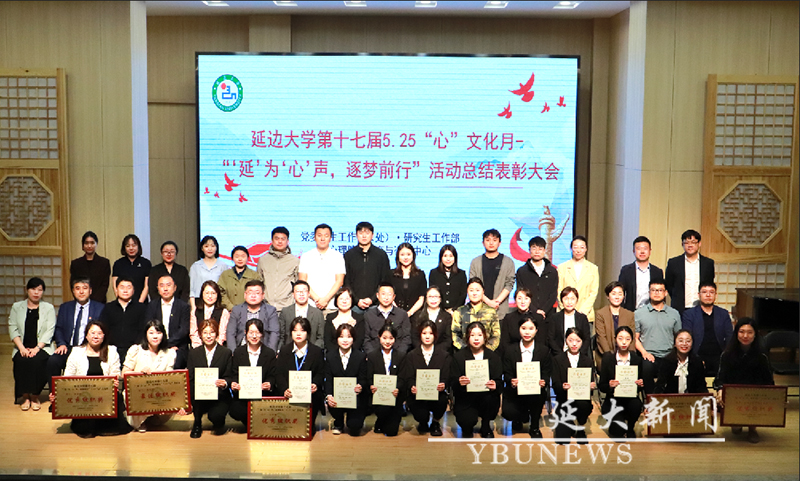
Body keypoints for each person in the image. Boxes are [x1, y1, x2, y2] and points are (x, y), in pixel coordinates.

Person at [53, 320, 132, 437]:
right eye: (92, 333)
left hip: (104, 395)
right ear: (86, 335)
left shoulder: (112, 351)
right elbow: (68, 377)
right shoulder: (76, 352)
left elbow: (115, 373)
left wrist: (114, 382)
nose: (96, 336)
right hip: (83, 394)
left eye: (99, 333)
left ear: (104, 336)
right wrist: (59, 392)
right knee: (86, 431)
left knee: (115, 400)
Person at [714, 317, 773, 443]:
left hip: (755, 395)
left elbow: (769, 381)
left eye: (749, 332)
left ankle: (752, 429)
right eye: (741, 332)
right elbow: (719, 379)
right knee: (736, 428)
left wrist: (776, 397)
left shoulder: (762, 355)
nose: (745, 336)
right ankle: (737, 422)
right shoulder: (727, 354)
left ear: (755, 334)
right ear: (736, 333)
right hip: (734, 395)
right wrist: (720, 390)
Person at [47, 277, 105, 386]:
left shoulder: (100, 308)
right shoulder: (65, 307)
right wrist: (61, 344)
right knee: (53, 361)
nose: (81, 291)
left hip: (89, 348)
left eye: (85, 288)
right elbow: (59, 328)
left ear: (90, 291)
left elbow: (103, 329)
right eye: (77, 288)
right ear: (73, 291)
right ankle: (54, 394)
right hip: (68, 347)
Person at [122, 320, 177, 432]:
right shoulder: (136, 350)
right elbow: (124, 374)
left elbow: (169, 378)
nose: (155, 336)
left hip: (158, 391)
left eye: (158, 333)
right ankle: (140, 422)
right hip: (138, 390)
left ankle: (154, 418)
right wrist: (139, 374)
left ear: (163, 335)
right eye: (151, 333)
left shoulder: (169, 353)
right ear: (146, 335)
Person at [182, 319, 233, 438]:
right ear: (200, 334)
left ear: (217, 334)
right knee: (194, 389)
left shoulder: (226, 352)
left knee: (216, 418)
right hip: (200, 395)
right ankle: (197, 423)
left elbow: (230, 376)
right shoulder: (194, 353)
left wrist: (225, 383)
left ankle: (219, 421)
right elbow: (190, 377)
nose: (208, 336)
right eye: (205, 333)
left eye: (212, 332)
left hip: (219, 394)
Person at [501, 314, 550, 438]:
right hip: (515, 391)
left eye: (531, 328)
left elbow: (546, 372)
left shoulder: (544, 350)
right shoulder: (510, 350)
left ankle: (534, 427)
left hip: (535, 391)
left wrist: (543, 381)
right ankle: (519, 417)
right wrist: (511, 381)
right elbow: (506, 373)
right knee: (509, 412)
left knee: (539, 395)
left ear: (536, 330)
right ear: (519, 329)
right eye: (523, 328)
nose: (527, 332)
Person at [10, 277, 55, 411]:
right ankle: (25, 397)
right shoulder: (17, 307)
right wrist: (22, 348)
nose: (36, 292)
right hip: (22, 346)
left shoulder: (48, 308)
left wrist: (36, 348)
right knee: (20, 360)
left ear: (43, 292)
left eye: (39, 290)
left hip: (42, 347)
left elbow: (50, 330)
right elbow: (13, 328)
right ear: (27, 290)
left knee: (38, 361)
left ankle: (35, 396)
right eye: (33, 289)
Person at [451, 322, 502, 438]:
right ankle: (467, 426)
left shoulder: (493, 357)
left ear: (485, 337)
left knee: (490, 399)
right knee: (467, 422)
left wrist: (495, 385)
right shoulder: (458, 357)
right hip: (466, 398)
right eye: (472, 335)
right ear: (467, 337)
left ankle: (486, 425)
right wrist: (459, 383)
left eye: (479, 335)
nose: (476, 339)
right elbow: (452, 382)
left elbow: (499, 381)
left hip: (486, 397)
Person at [401, 320, 451, 436]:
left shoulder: (444, 355)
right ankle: (423, 422)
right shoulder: (411, 355)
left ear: (435, 335)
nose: (427, 336)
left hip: (437, 394)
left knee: (442, 400)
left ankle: (435, 423)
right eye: (424, 333)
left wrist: (443, 384)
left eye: (430, 333)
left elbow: (446, 376)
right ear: (420, 335)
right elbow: (409, 377)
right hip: (418, 394)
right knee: (420, 414)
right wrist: (412, 386)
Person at [635, 279, 682, 394]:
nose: (657, 293)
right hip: (648, 355)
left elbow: (679, 337)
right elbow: (635, 338)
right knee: (646, 368)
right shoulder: (639, 313)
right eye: (654, 290)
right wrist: (644, 353)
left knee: (675, 372)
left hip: (669, 355)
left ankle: (670, 401)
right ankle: (651, 400)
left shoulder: (674, 313)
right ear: (649, 292)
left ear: (665, 293)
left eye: (660, 290)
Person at [275, 317, 326, 423]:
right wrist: (284, 389)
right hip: (289, 394)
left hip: (310, 395)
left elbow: (321, 372)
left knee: (307, 427)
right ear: (291, 333)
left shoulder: (316, 351)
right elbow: (279, 374)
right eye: (295, 330)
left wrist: (315, 384)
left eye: (302, 331)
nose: (298, 334)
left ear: (308, 333)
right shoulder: (284, 350)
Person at [598, 326, 645, 439]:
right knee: (617, 432)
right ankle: (617, 424)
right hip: (613, 400)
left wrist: (640, 384)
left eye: (627, 339)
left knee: (636, 405)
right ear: (615, 339)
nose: (624, 342)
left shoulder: (636, 359)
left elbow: (640, 385)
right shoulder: (608, 358)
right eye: (620, 338)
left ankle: (630, 427)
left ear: (632, 340)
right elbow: (602, 386)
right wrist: (609, 385)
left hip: (630, 398)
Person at [229, 319, 277, 427]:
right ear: (245, 333)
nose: (254, 336)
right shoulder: (238, 352)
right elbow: (235, 373)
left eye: (257, 332)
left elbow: (272, 375)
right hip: (244, 395)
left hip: (262, 394)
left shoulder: (269, 353)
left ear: (262, 334)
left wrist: (269, 383)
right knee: (236, 411)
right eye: (251, 332)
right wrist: (234, 383)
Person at [551, 327, 595, 444]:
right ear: (565, 340)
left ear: (582, 342)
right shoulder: (557, 359)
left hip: (581, 400)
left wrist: (591, 386)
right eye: (570, 340)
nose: (574, 344)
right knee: (562, 440)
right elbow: (555, 384)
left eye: (578, 341)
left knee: (584, 405)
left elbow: (590, 387)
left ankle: (580, 427)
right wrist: (562, 386)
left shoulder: (587, 361)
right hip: (564, 401)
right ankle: (569, 422)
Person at [681, 281, 733, 376]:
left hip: (719, 355)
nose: (708, 295)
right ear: (699, 295)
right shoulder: (689, 314)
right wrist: (694, 358)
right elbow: (687, 337)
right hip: (697, 355)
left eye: (711, 292)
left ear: (716, 295)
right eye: (704, 292)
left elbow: (729, 336)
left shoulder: (723, 313)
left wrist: (726, 356)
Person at [325, 324, 368, 436]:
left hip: (355, 397)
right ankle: (338, 422)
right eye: (341, 336)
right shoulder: (330, 356)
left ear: (353, 339)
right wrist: (329, 395)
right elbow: (328, 379)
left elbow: (364, 378)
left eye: (349, 337)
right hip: (337, 398)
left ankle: (353, 419)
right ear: (337, 339)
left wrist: (360, 386)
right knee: (334, 404)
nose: (345, 340)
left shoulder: (360, 356)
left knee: (354, 427)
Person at [144, 275, 191, 369]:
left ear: (175, 287)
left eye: (168, 285)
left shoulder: (183, 306)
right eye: (162, 285)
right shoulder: (152, 306)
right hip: (155, 346)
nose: (165, 289)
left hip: (177, 347)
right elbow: (148, 327)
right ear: (158, 289)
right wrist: (160, 345)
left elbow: (184, 330)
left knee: (176, 364)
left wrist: (167, 345)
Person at [99, 277, 148, 368]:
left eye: (128, 287)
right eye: (122, 287)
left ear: (133, 290)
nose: (125, 290)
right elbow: (103, 328)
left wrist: (136, 347)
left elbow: (143, 330)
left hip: (135, 351)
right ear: (116, 289)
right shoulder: (108, 307)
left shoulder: (141, 308)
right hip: (112, 350)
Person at [367, 324, 406, 437]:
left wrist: (397, 388)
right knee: (383, 410)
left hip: (395, 397)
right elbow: (369, 377)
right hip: (379, 397)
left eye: (391, 338)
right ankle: (380, 420)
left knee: (391, 432)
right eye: (384, 338)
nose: (387, 341)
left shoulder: (401, 356)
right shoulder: (372, 356)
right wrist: (371, 386)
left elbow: (402, 377)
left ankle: (383, 421)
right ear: (379, 337)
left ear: (395, 339)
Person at [344, 221, 392, 313]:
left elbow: (385, 280)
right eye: (361, 233)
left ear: (372, 235)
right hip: (354, 305)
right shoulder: (349, 255)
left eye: (367, 233)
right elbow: (346, 281)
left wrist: (372, 299)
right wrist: (356, 300)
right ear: (356, 235)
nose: (364, 236)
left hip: (376, 305)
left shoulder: (381, 255)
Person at [665, 229, 715, 314]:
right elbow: (669, 284)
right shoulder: (673, 263)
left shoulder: (708, 263)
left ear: (699, 244)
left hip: (701, 307)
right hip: (680, 308)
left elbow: (709, 283)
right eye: (687, 243)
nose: (690, 245)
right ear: (682, 244)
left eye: (693, 242)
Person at [298, 223, 345, 314]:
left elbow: (339, 281)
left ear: (330, 238)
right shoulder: (306, 256)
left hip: (331, 306)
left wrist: (326, 299)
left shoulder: (338, 256)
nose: (322, 238)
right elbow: (303, 281)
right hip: (310, 305)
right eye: (319, 235)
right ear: (314, 237)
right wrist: (317, 299)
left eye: (326, 236)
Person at [469, 229, 516, 319]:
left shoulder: (508, 262)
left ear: (499, 243)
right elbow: (473, 284)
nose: (491, 243)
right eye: (488, 240)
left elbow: (509, 284)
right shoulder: (475, 262)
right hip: (479, 311)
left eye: (494, 240)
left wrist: (497, 302)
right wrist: (488, 302)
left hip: (500, 311)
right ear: (483, 243)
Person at [556, 235, 599, 324]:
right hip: (565, 313)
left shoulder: (593, 268)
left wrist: (583, 311)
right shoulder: (561, 268)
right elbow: (558, 290)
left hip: (586, 314)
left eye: (582, 247)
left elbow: (593, 292)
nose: (578, 250)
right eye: (575, 247)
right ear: (571, 249)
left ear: (586, 249)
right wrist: (567, 308)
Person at [227, 280, 279, 351]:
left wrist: (270, 353)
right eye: (250, 293)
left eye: (257, 293)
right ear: (245, 295)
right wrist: (233, 353)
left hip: (263, 349)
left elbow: (274, 333)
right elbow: (230, 333)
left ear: (263, 295)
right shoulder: (236, 310)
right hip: (241, 349)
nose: (253, 296)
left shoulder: (270, 310)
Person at [256, 226, 299, 313]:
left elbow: (298, 284)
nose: (280, 241)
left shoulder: (295, 261)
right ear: (272, 240)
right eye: (277, 238)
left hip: (287, 308)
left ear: (288, 241)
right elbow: (259, 283)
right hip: (266, 307)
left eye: (283, 239)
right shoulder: (263, 260)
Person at [515, 236, 559, 319]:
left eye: (540, 249)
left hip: (548, 315)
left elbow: (553, 294)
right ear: (529, 250)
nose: (537, 252)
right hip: (527, 315)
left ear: (544, 251)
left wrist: (543, 311)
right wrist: (535, 310)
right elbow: (521, 293)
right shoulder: (522, 271)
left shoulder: (552, 271)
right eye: (534, 248)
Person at [452, 277, 500, 351]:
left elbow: (496, 335)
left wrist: (486, 351)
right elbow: (455, 335)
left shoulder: (491, 312)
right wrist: (466, 351)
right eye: (471, 290)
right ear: (467, 291)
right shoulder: (459, 311)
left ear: (483, 291)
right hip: (464, 353)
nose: (474, 293)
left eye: (477, 290)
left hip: (487, 353)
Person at [618, 236, 664, 312]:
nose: (642, 252)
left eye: (645, 248)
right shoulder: (626, 271)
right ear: (634, 251)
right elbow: (620, 292)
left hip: (652, 312)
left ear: (650, 251)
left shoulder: (657, 272)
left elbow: (661, 294)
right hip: (631, 312)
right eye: (639, 248)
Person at [363, 282, 412, 353]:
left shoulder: (402, 314)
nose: (386, 297)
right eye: (383, 294)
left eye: (389, 294)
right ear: (377, 295)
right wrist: (373, 356)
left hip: (398, 355)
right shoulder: (369, 315)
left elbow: (406, 338)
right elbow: (366, 339)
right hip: (375, 356)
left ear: (394, 297)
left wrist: (398, 355)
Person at [654, 330, 708, 394]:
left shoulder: (697, 362)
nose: (684, 344)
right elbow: (660, 386)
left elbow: (701, 387)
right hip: (671, 399)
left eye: (688, 341)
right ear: (674, 343)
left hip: (692, 399)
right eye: (681, 341)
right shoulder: (667, 361)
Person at [595, 281, 635, 363]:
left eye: (620, 294)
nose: (617, 297)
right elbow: (601, 337)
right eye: (613, 294)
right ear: (607, 296)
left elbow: (632, 337)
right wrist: (611, 357)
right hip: (606, 356)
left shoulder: (629, 314)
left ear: (623, 296)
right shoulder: (600, 314)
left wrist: (630, 356)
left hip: (625, 356)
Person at [278, 280, 324, 350]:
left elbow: (320, 337)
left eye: (304, 291)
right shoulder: (285, 312)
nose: (301, 294)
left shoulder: (317, 313)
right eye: (298, 291)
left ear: (309, 294)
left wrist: (313, 351)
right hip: (289, 352)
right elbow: (282, 336)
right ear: (293, 294)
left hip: (312, 352)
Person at [498, 288, 545, 357]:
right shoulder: (509, 318)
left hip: (535, 355)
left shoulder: (538, 318)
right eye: (519, 298)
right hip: (513, 355)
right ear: (515, 300)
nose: (523, 302)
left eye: (526, 298)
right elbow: (504, 343)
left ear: (530, 300)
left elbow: (542, 342)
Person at [547, 287, 591, 357]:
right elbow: (551, 339)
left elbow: (587, 339)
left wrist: (580, 354)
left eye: (572, 299)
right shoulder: (554, 318)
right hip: (559, 355)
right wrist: (561, 355)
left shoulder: (582, 318)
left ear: (577, 300)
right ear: (562, 300)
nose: (569, 302)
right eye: (566, 299)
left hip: (579, 355)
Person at [70, 231, 111, 303]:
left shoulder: (104, 263)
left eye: (92, 243)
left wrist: (94, 302)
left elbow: (104, 285)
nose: (89, 246)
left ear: (96, 244)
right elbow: (73, 284)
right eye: (86, 243)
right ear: (83, 245)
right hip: (81, 302)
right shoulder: (76, 264)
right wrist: (82, 298)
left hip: (99, 302)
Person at [217, 245, 262, 311]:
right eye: (237, 256)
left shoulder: (254, 275)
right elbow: (221, 292)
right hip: (228, 311)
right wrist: (230, 307)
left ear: (248, 258)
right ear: (232, 258)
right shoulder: (225, 275)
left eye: (243, 256)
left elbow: (258, 293)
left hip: (250, 310)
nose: (240, 259)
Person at [324, 287, 365, 355]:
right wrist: (338, 355)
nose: (344, 301)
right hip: (333, 356)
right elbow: (328, 341)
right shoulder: (330, 317)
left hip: (354, 356)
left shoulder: (359, 318)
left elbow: (359, 341)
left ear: (352, 300)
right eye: (341, 299)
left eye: (347, 299)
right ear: (336, 301)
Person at [188, 235, 225, 312]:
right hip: (199, 303)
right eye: (206, 246)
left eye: (213, 246)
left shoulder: (223, 266)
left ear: (216, 248)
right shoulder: (196, 266)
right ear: (202, 248)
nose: (210, 249)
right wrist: (193, 307)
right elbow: (191, 289)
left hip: (218, 303)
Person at [112, 234, 151, 304]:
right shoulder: (118, 263)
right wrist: (122, 301)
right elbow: (115, 285)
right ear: (124, 248)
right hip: (123, 303)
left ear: (138, 246)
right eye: (128, 246)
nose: (131, 248)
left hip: (142, 303)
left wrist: (139, 304)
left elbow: (147, 286)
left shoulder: (146, 263)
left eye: (134, 245)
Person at [411, 286, 452, 353]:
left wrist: (434, 351)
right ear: (426, 299)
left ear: (440, 299)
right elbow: (414, 337)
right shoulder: (417, 315)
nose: (433, 299)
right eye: (430, 297)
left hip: (440, 353)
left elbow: (447, 340)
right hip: (420, 352)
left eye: (436, 297)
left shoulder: (447, 317)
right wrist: (423, 350)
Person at [190, 280, 230, 348]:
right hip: (198, 348)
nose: (210, 296)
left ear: (217, 295)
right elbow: (193, 333)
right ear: (202, 294)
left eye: (213, 293)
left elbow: (222, 335)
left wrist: (213, 349)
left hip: (218, 348)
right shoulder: (195, 311)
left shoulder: (224, 312)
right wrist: (200, 350)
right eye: (207, 293)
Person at [390, 243, 426, 317]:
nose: (405, 257)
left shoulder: (420, 275)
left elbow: (421, 298)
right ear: (398, 256)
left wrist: (410, 313)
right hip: (394, 314)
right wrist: (398, 312)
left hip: (415, 315)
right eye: (402, 255)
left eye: (408, 254)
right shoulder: (391, 274)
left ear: (413, 256)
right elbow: (388, 296)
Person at [428, 244, 467, 312]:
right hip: (439, 311)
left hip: (456, 312)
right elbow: (433, 293)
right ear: (441, 258)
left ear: (455, 258)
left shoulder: (461, 274)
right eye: (445, 256)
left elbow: (463, 295)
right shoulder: (434, 273)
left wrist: (453, 310)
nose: (448, 259)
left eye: (451, 256)